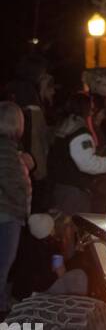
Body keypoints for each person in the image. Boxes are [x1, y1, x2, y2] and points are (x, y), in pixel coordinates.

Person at [48, 93, 106, 214]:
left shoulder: (63, 127)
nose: (92, 111)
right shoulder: (80, 133)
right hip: (74, 191)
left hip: (61, 187)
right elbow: (87, 163)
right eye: (91, 107)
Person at [0, 101, 33, 315]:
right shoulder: (6, 150)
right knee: (3, 267)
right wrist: (23, 205)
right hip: (7, 215)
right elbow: (11, 182)